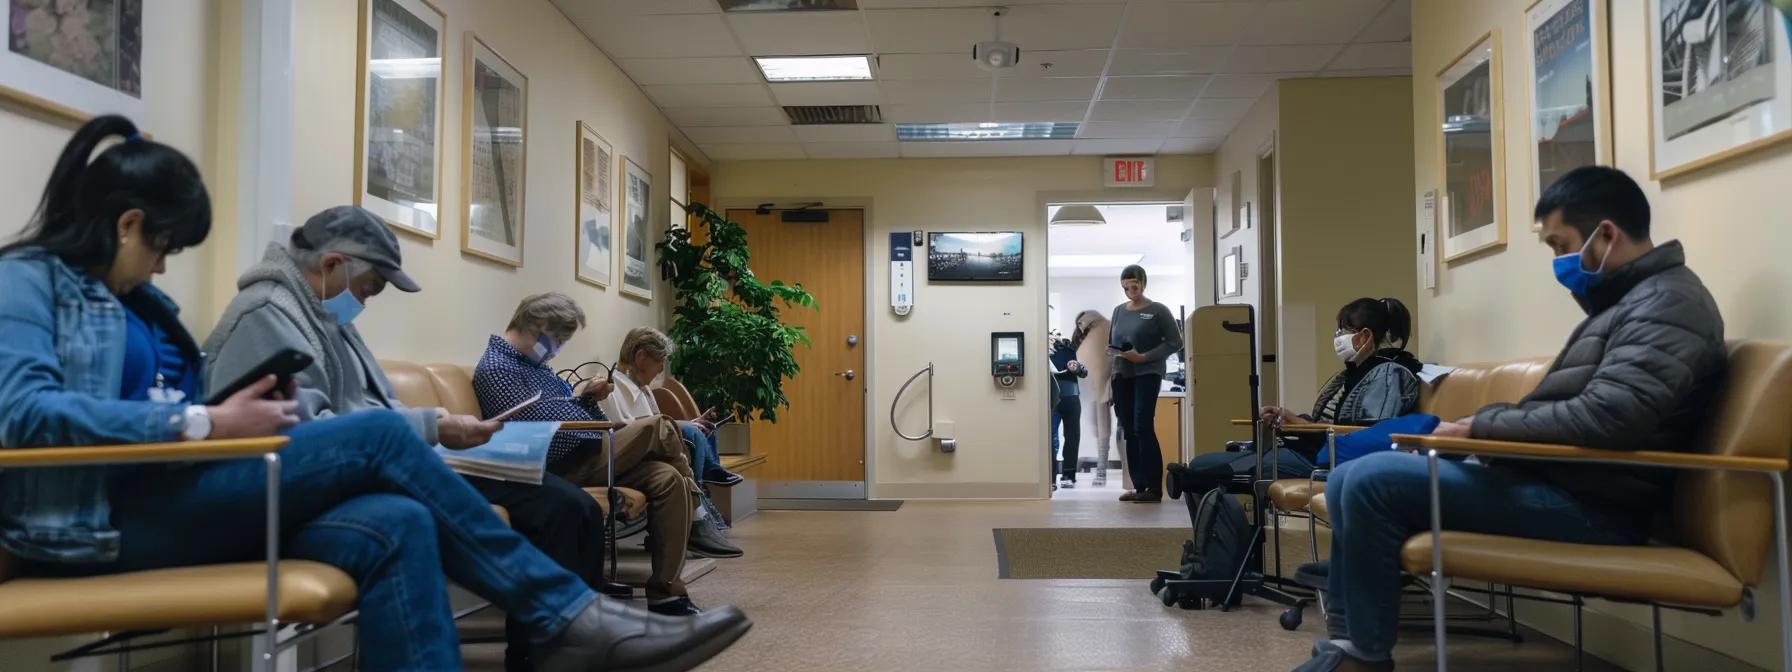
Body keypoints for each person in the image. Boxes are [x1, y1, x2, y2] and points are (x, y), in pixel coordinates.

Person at [0, 115, 748, 672]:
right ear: (127, 223)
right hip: (93, 527)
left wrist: (222, 423)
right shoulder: (26, 281)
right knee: (389, 442)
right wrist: (205, 419)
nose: (163, 270)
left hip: (179, 501)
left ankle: (569, 618)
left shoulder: (144, 306)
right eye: (160, 248)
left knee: (396, 522)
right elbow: (22, 413)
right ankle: (565, 613)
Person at [1294, 166, 1726, 672]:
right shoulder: (1629, 306)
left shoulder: (1668, 305)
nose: (1559, 263)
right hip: (1559, 480)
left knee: (1368, 481)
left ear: (1605, 235)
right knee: (1348, 476)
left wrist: (1481, 428)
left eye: (1560, 245)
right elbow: (1576, 409)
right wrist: (1478, 431)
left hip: (1595, 505)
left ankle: (1363, 655)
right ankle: (1351, 644)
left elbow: (1611, 417)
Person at [201, 210, 619, 671]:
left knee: (424, 517)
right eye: (367, 290)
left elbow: (366, 411)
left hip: (352, 476)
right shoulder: (269, 316)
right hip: (291, 490)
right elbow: (311, 434)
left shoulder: (324, 318)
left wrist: (435, 422)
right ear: (333, 263)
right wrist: (430, 427)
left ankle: (571, 624)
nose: (365, 303)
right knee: (543, 505)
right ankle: (566, 622)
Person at [473, 297, 742, 617]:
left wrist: (585, 399)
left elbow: (571, 414)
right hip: (555, 463)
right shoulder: (498, 367)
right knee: (661, 427)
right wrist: (580, 401)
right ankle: (700, 516)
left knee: (668, 479)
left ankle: (666, 594)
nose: (559, 348)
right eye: (560, 340)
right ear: (541, 329)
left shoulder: (539, 369)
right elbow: (537, 427)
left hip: (587, 450)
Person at [1168, 298, 1421, 495]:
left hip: (1327, 461)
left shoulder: (1389, 374)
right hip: (1309, 451)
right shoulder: (1351, 374)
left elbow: (1366, 435)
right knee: (1202, 465)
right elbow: (1329, 423)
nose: (1338, 337)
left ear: (1365, 336)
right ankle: (1214, 554)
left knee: (1201, 472)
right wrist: (1291, 419)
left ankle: (1218, 550)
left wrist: (1302, 426)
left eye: (1344, 330)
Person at [598, 327, 737, 533]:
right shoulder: (612, 388)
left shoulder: (643, 389)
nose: (661, 370)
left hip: (654, 447)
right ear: (641, 357)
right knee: (692, 432)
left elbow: (657, 422)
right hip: (632, 457)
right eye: (660, 361)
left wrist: (691, 422)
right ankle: (702, 499)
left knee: (702, 428)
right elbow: (626, 433)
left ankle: (706, 487)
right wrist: (683, 426)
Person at [1108, 265, 1182, 503]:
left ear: (1143, 284)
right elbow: (1114, 341)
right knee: (1129, 430)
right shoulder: (1119, 311)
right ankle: (1138, 486)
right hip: (1122, 373)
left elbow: (1175, 342)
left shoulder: (1158, 310)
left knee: (1142, 426)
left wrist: (1144, 357)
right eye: (1126, 287)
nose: (1130, 291)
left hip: (1147, 372)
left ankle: (1153, 487)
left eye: (1134, 286)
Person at [1072, 310, 1116, 486]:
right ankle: (1103, 471)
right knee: (1112, 431)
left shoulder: (1093, 337)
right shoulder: (1110, 328)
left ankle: (1101, 471)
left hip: (1101, 389)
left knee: (1103, 431)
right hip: (1114, 384)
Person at [1049, 336, 1086, 489]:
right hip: (1051, 397)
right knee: (1051, 438)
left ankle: (1068, 475)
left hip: (1070, 397)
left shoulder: (1069, 349)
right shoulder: (1039, 351)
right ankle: (1050, 476)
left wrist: (1076, 367)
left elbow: (1083, 371)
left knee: (1072, 436)